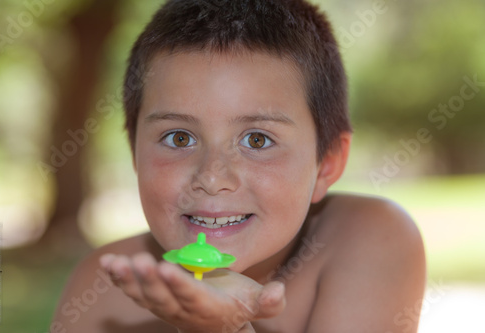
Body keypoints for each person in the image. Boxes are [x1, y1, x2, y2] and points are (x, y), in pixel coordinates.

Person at [52, 0, 426, 332]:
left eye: (257, 140)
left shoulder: (369, 239)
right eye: (179, 138)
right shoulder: (101, 290)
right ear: (134, 153)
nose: (212, 177)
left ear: (326, 164)